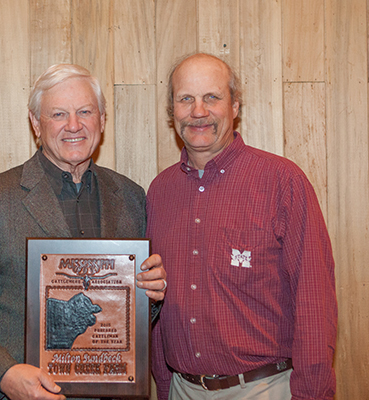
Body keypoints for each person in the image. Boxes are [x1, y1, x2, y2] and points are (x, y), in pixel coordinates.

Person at [0, 64, 167, 400]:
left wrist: (150, 293)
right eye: (58, 114)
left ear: (102, 120)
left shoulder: (131, 196)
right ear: (36, 123)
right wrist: (4, 374)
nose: (74, 125)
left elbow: (127, 311)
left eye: (85, 112)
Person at [147, 53, 337, 399]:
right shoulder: (159, 192)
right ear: (171, 110)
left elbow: (314, 302)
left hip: (262, 388)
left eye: (212, 97)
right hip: (181, 388)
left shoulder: (282, 181)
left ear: (235, 106)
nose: (198, 111)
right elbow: (156, 299)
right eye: (185, 98)